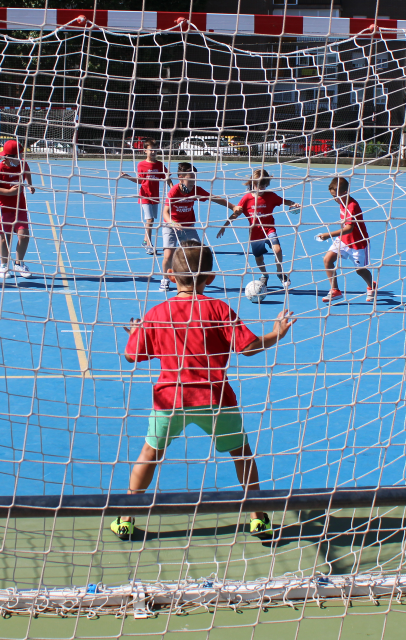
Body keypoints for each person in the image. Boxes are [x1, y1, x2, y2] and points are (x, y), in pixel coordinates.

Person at [116, 242, 297, 541]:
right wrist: (276, 333)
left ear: (170, 275)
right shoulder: (219, 309)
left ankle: (126, 518)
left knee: (149, 454)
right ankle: (257, 517)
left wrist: (136, 334)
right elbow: (248, 347)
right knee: (242, 454)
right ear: (210, 277)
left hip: (170, 399)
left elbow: (132, 356)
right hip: (215, 398)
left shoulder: (157, 313)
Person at [216, 168, 301, 291]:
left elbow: (284, 201)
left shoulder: (271, 196)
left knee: (277, 250)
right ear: (253, 184)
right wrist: (224, 226)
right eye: (258, 185)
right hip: (255, 234)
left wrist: (293, 204)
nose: (261, 188)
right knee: (259, 258)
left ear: (267, 184)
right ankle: (264, 275)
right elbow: (236, 213)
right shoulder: (246, 199)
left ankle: (280, 273)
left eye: (263, 185)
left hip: (269, 229)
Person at [160, 162, 232, 292]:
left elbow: (213, 198)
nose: (194, 181)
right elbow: (165, 212)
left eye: (195, 177)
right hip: (170, 225)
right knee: (168, 255)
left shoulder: (195, 190)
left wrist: (232, 207)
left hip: (188, 226)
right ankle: (165, 279)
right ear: (181, 178)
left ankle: (197, 279)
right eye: (191, 178)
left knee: (198, 253)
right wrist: (173, 223)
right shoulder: (174, 191)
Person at [316, 176, 375, 303]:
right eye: (332, 196)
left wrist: (328, 235)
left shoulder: (352, 206)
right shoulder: (341, 202)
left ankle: (371, 286)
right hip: (343, 240)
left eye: (336, 196)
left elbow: (349, 228)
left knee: (360, 270)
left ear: (345, 192)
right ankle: (335, 290)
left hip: (358, 243)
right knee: (327, 260)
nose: (334, 199)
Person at [0, 139, 35, 279]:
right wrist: (8, 192)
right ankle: (3, 265)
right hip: (3, 208)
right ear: (8, 156)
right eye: (17, 155)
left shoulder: (22, 164)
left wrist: (29, 184)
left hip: (19, 207)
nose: (20, 158)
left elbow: (27, 171)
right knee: (5, 238)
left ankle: (19, 263)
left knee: (24, 235)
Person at [118, 139, 170, 253]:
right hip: (144, 196)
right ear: (145, 151)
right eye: (151, 150)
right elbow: (140, 181)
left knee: (152, 220)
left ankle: (145, 241)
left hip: (155, 196)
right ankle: (149, 245)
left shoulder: (160, 165)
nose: (153, 152)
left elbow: (166, 177)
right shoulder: (141, 164)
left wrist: (173, 187)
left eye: (155, 150)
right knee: (149, 219)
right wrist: (127, 177)